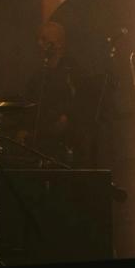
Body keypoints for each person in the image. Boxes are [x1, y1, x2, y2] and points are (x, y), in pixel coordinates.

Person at [24, 21, 85, 167]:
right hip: (41, 143)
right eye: (38, 39)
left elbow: (81, 102)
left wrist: (66, 118)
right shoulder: (38, 75)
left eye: (44, 39)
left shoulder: (72, 71)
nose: (39, 43)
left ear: (58, 43)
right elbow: (29, 104)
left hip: (66, 144)